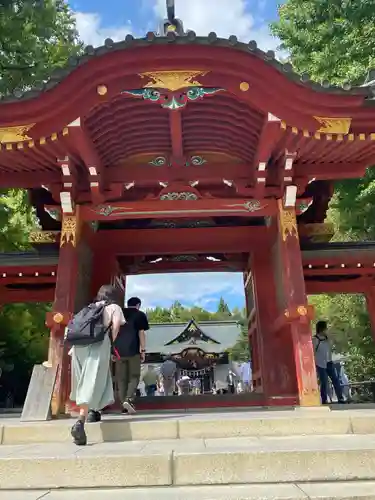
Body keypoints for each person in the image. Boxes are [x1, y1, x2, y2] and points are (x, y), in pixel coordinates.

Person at [69, 284, 125, 445]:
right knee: (93, 379)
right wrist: (113, 344)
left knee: (84, 379)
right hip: (98, 343)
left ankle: (93, 411)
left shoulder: (90, 307)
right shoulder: (114, 307)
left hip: (78, 346)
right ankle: (80, 421)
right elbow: (115, 326)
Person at [114, 296, 149, 414]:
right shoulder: (140, 315)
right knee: (134, 376)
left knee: (121, 379)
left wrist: (112, 349)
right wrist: (143, 350)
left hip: (119, 351)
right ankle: (129, 399)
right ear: (138, 305)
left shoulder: (119, 313)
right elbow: (141, 333)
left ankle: (123, 405)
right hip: (133, 350)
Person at [313, 320, 345, 405]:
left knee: (335, 380)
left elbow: (336, 342)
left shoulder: (328, 338)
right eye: (325, 328)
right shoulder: (315, 339)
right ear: (321, 329)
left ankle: (340, 398)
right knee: (324, 381)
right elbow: (312, 352)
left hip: (329, 362)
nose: (326, 330)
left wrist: (330, 336)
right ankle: (324, 400)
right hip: (320, 363)